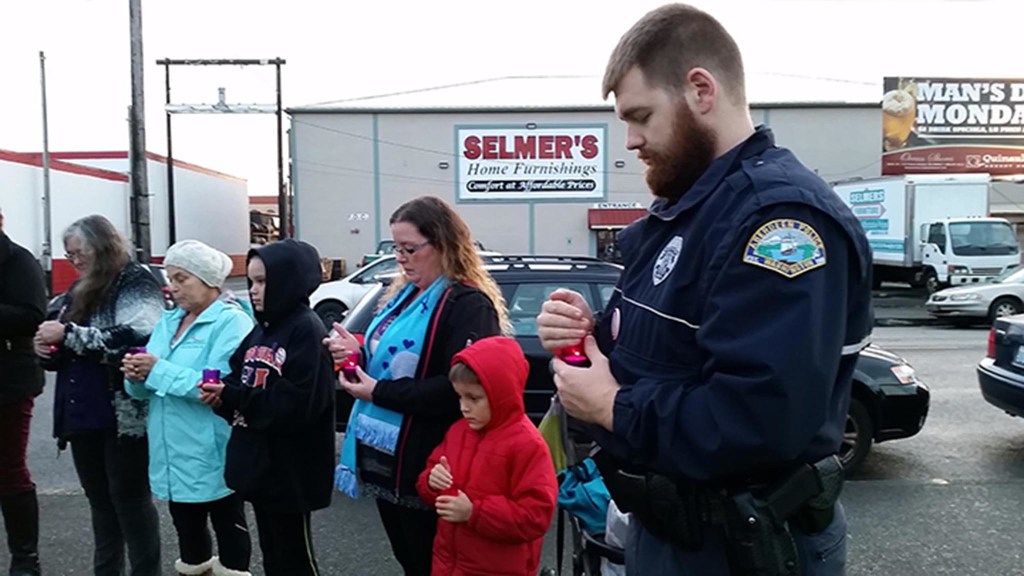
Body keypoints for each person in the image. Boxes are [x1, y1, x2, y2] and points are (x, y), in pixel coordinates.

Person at [536, 5, 873, 576]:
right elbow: (668, 356)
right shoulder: (691, 212)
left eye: (640, 115)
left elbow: (760, 418)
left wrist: (611, 406)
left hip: (742, 549)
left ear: (700, 90)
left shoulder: (779, 222)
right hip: (672, 531)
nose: (632, 139)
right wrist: (586, 336)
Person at [326, 195, 507, 575]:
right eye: (396, 249)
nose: (401, 258)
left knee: (431, 561)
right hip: (387, 455)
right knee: (410, 558)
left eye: (410, 248)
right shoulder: (405, 297)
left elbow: (456, 390)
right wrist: (354, 352)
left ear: (442, 244)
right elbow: (390, 364)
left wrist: (377, 391)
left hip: (429, 456)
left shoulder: (467, 303)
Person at [33, 215, 165, 576]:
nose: (74, 261)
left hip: (123, 413)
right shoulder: (77, 290)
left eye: (80, 253)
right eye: (69, 254)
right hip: (81, 413)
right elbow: (57, 334)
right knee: (100, 504)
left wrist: (69, 336)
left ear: (102, 247)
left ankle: (145, 572)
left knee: (130, 501)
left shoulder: (135, 279)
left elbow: (138, 337)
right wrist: (45, 348)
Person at [198, 239, 334, 576]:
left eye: (263, 282)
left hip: (291, 470)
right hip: (259, 465)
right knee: (272, 553)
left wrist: (234, 397)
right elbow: (238, 375)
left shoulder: (306, 328)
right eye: (251, 282)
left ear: (288, 280)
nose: (254, 291)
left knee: (295, 558)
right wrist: (221, 396)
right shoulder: (261, 328)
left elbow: (298, 403)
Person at [122, 240, 254, 576]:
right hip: (171, 448)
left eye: (182, 278)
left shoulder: (232, 323)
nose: (173, 286)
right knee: (187, 530)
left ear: (209, 280)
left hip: (211, 445)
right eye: (170, 277)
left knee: (228, 523)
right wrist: (135, 376)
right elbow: (146, 386)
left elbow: (216, 385)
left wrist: (156, 370)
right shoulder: (169, 321)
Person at [416, 336, 558, 576]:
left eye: (474, 398)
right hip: (448, 563)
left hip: (500, 568)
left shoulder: (527, 445)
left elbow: (536, 516)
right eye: (460, 397)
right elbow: (430, 478)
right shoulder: (458, 431)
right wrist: (431, 480)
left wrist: (475, 513)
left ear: (501, 393)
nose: (464, 407)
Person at [0, 207, 47, 576]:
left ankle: (25, 557)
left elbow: (31, 314)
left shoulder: (18, 260)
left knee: (9, 468)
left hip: (9, 380)